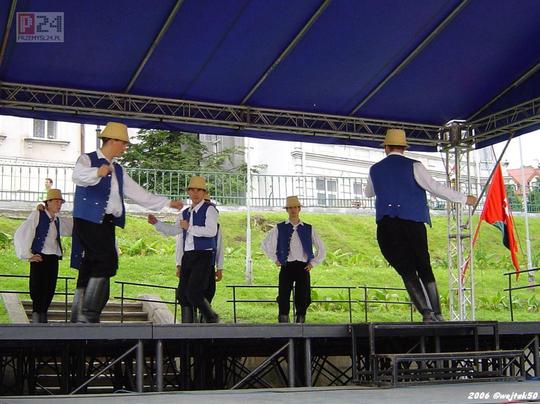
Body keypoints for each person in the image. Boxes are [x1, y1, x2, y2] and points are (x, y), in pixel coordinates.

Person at [70, 121, 183, 323]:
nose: (125, 147)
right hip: (88, 218)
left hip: (106, 223)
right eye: (123, 143)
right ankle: (88, 313)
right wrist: (97, 172)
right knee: (105, 261)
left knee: (92, 263)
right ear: (112, 141)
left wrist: (167, 203)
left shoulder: (118, 170)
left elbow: (140, 194)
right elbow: (77, 176)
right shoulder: (88, 159)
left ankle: (79, 314)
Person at [364, 128, 478, 322]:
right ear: (404, 148)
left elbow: (368, 193)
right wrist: (464, 198)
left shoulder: (375, 169)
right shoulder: (414, 166)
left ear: (386, 147)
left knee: (406, 269)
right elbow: (435, 187)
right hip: (413, 223)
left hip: (387, 226)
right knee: (423, 266)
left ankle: (426, 313)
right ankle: (437, 313)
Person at [148, 189, 223, 322]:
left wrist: (220, 266)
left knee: (201, 293)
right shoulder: (185, 214)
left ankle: (208, 320)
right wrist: (157, 223)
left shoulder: (212, 221)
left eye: (206, 201)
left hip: (206, 260)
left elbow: (218, 244)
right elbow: (176, 234)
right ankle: (189, 325)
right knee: (183, 295)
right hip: (189, 258)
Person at [261, 196, 326, 323]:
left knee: (304, 296)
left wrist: (313, 263)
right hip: (287, 266)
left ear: (299, 209)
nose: (293, 210)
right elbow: (266, 244)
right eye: (290, 208)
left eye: (295, 207)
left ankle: (300, 320)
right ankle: (283, 320)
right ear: (287, 210)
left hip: (303, 266)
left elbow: (321, 247)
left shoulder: (309, 228)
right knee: (283, 295)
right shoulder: (280, 227)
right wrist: (275, 259)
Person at [14, 189, 73, 323]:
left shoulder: (57, 220)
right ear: (48, 203)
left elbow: (73, 227)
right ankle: (37, 319)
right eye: (56, 202)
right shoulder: (38, 214)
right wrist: (28, 255)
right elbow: (23, 233)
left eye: (60, 202)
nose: (59, 204)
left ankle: (43, 319)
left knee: (49, 289)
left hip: (53, 258)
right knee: (37, 289)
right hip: (40, 257)